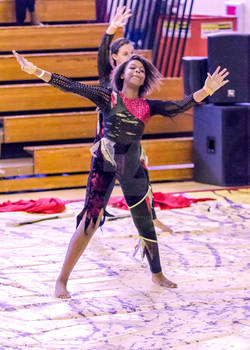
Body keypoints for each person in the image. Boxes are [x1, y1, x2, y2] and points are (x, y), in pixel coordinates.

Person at [13, 49, 229, 299]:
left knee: (144, 220)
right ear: (122, 74)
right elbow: (72, 86)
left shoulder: (148, 106)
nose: (138, 71)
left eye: (142, 70)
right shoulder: (108, 98)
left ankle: (157, 273)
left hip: (133, 166)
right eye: (133, 68)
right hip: (104, 164)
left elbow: (178, 106)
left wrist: (206, 90)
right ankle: (61, 280)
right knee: (90, 221)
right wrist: (36, 71)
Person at [97, 6, 173, 233]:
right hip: (106, 142)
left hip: (129, 144)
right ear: (114, 58)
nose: (131, 57)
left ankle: (151, 217)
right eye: (125, 54)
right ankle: (93, 219)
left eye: (132, 53)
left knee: (142, 178)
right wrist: (111, 29)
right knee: (101, 187)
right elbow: (102, 53)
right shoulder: (107, 78)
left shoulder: (132, 84)